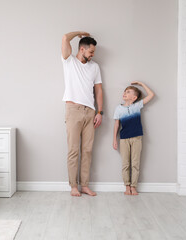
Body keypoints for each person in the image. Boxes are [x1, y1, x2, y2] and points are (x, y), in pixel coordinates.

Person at [61, 31, 103, 197]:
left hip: (90, 112)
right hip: (73, 111)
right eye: (91, 52)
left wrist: (100, 112)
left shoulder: (95, 67)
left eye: (94, 52)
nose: (92, 55)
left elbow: (99, 91)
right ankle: (73, 186)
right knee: (73, 150)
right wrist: (79, 33)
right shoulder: (69, 62)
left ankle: (85, 185)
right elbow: (65, 38)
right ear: (82, 49)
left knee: (87, 150)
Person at [112, 82, 155, 195]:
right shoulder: (118, 108)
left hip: (137, 138)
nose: (125, 93)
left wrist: (141, 84)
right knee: (125, 164)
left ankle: (133, 186)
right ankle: (127, 186)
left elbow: (151, 95)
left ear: (134, 97)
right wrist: (114, 140)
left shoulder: (137, 105)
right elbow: (116, 125)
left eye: (128, 92)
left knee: (135, 163)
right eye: (125, 91)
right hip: (124, 139)